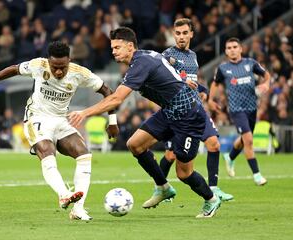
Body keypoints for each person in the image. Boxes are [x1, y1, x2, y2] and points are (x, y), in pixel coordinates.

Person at [69, 27, 221, 218]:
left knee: (183, 173)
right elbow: (172, 67)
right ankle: (163, 187)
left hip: (189, 116)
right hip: (169, 111)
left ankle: (211, 199)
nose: (113, 51)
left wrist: (85, 113)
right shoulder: (143, 59)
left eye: (117, 47)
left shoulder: (141, 63)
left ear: (130, 46)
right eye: (112, 47)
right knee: (135, 144)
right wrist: (186, 81)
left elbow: (116, 99)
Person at [0, 41, 118, 221]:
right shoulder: (38, 65)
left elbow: (109, 92)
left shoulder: (80, 73)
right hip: (36, 117)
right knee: (47, 152)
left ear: (70, 61)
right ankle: (63, 194)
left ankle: (78, 209)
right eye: (54, 67)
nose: (58, 72)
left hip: (61, 120)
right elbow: (14, 69)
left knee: (84, 154)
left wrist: (112, 121)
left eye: (63, 67)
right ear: (48, 61)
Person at [156, 18, 233, 201]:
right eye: (177, 33)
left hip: (195, 109)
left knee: (214, 144)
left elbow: (192, 81)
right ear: (173, 35)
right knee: (171, 155)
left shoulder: (193, 56)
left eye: (184, 33)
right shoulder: (167, 55)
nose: (181, 37)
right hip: (175, 112)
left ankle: (213, 189)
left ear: (191, 34)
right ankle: (161, 188)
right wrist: (183, 82)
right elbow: (162, 80)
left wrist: (204, 92)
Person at [209, 37, 270, 186]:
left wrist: (266, 84)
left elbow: (266, 74)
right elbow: (215, 83)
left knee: (244, 140)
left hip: (251, 108)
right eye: (229, 48)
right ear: (226, 51)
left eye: (235, 47)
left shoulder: (251, 64)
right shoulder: (223, 68)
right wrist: (211, 100)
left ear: (241, 49)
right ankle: (257, 175)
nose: (232, 50)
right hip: (236, 109)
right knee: (248, 140)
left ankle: (230, 157)